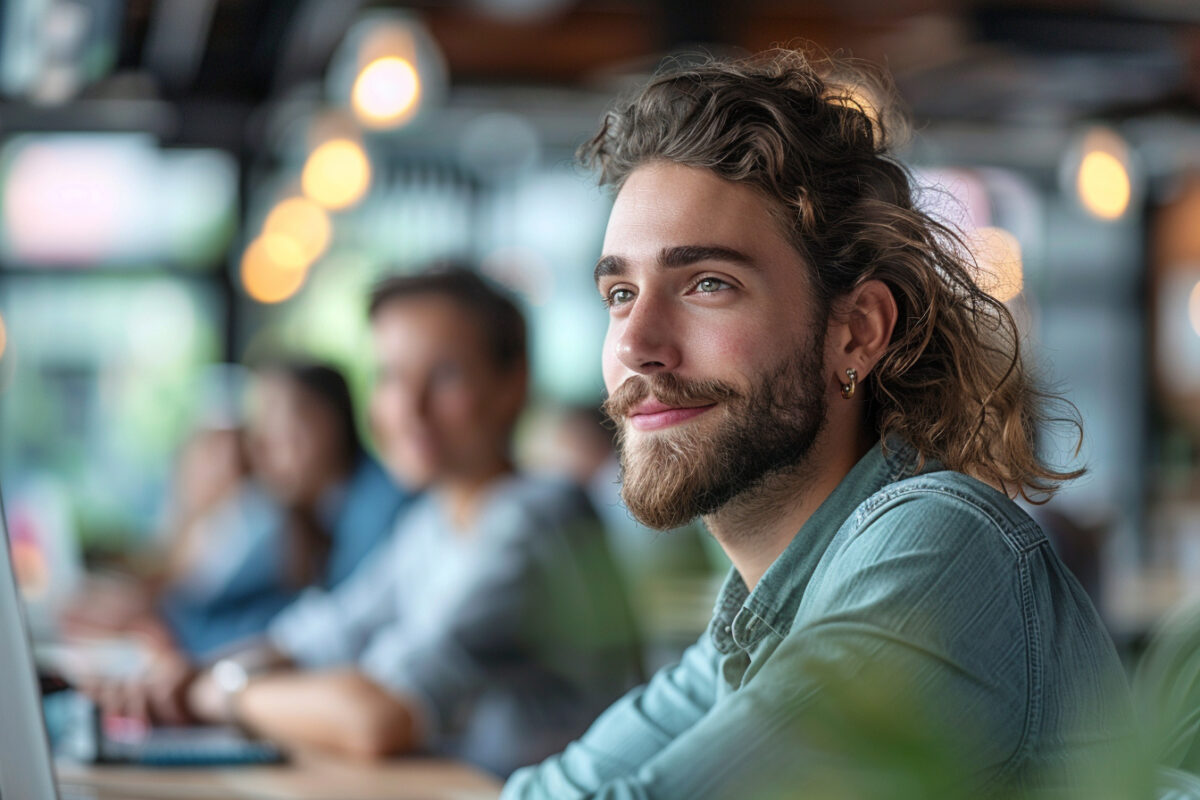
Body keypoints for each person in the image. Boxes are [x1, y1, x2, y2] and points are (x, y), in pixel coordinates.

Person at [503, 50, 1134, 798]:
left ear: (858, 332)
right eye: (619, 293)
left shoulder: (941, 549)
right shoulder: (765, 613)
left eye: (708, 284)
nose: (637, 346)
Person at [105, 267, 641, 776]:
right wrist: (191, 675)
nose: (408, 407)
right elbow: (323, 634)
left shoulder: (535, 519)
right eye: (388, 376)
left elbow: (380, 717)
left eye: (445, 375)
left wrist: (217, 691)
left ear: (512, 383)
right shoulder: (435, 518)